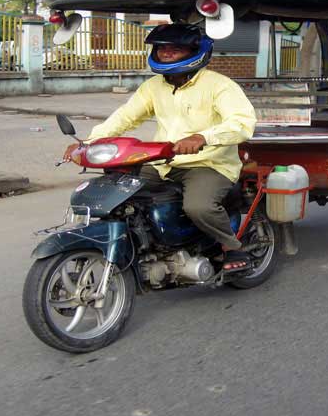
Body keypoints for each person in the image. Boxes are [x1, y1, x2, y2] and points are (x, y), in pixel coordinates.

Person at [64, 23, 258, 271]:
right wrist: (87, 144)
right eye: (162, 48)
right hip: (162, 161)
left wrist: (203, 137)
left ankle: (232, 246)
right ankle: (141, 241)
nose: (166, 53)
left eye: (175, 48)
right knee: (115, 191)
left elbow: (242, 123)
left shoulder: (219, 85)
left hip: (209, 164)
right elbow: (125, 117)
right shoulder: (153, 86)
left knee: (198, 206)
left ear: (195, 51)